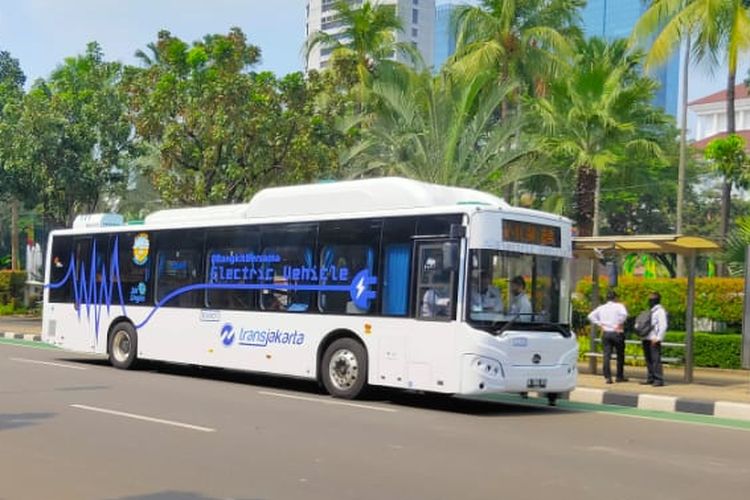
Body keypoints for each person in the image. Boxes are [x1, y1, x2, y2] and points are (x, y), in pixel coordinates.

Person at [588, 290, 629, 384]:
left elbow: (590, 316)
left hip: (606, 332)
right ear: (615, 298)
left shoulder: (601, 307)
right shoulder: (619, 306)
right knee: (620, 355)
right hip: (617, 332)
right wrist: (619, 323)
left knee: (606, 355)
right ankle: (619, 376)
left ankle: (608, 377)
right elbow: (624, 314)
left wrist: (600, 324)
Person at [642, 291, 668, 387]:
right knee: (648, 359)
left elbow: (663, 325)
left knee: (655, 359)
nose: (650, 301)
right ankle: (650, 377)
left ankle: (658, 379)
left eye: (652, 299)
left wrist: (658, 338)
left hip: (654, 339)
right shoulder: (650, 310)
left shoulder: (660, 311)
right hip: (646, 338)